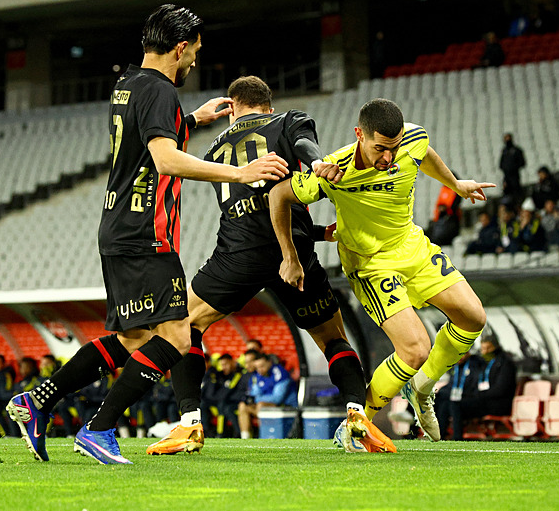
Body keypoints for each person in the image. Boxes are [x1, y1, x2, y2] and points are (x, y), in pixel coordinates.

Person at [6, 5, 288, 464]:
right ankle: (98, 430)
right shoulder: (159, 91)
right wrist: (241, 172)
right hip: (146, 232)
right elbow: (166, 160)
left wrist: (192, 121)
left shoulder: (128, 83)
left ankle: (37, 400)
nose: (195, 59)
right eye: (194, 50)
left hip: (117, 227)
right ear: (180, 47)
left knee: (136, 340)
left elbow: (146, 138)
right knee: (177, 337)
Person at [147, 75, 388, 455]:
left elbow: (249, 200)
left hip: (239, 253)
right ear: (268, 106)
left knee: (184, 326)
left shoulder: (214, 147)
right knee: (332, 338)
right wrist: (318, 164)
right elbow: (305, 150)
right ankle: (358, 417)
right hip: (293, 250)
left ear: (233, 107)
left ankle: (189, 423)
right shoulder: (288, 120)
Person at [270, 98, 493, 442]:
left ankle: (421, 389)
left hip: (412, 247)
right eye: (380, 149)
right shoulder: (333, 170)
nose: (388, 158)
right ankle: (357, 426)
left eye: (394, 148)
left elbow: (424, 154)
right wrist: (290, 255)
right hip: (371, 263)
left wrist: (455, 183)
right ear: (359, 134)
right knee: (415, 349)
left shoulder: (412, 140)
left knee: (473, 317)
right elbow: (279, 195)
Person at [446, 337, 516, 440]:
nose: (485, 352)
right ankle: (441, 435)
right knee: (447, 403)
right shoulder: (484, 364)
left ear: (496, 347)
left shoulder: (505, 363)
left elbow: (500, 390)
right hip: (484, 400)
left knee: (457, 405)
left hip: (498, 403)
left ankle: (457, 437)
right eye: (483, 349)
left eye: (488, 348)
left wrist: (478, 394)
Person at [238, 353, 297, 439]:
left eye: (262, 366)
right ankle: (245, 438)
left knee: (261, 405)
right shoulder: (258, 375)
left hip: (286, 407)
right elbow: (254, 393)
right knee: (242, 406)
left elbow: (277, 398)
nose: (259, 370)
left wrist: (256, 399)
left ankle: (263, 436)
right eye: (257, 367)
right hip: (267, 406)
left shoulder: (280, 374)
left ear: (269, 362)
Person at [434, 353, 484, 440]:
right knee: (442, 402)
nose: (459, 357)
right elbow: (451, 385)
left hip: (470, 399)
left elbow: (474, 387)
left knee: (453, 404)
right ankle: (439, 436)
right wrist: (441, 392)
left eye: (462, 354)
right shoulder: (455, 368)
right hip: (455, 399)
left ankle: (457, 437)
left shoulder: (474, 365)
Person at [499, 133, 525, 201]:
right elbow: (501, 164)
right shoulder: (504, 151)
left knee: (516, 195)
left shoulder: (517, 150)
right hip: (507, 177)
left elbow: (522, 163)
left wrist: (513, 168)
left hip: (515, 177)